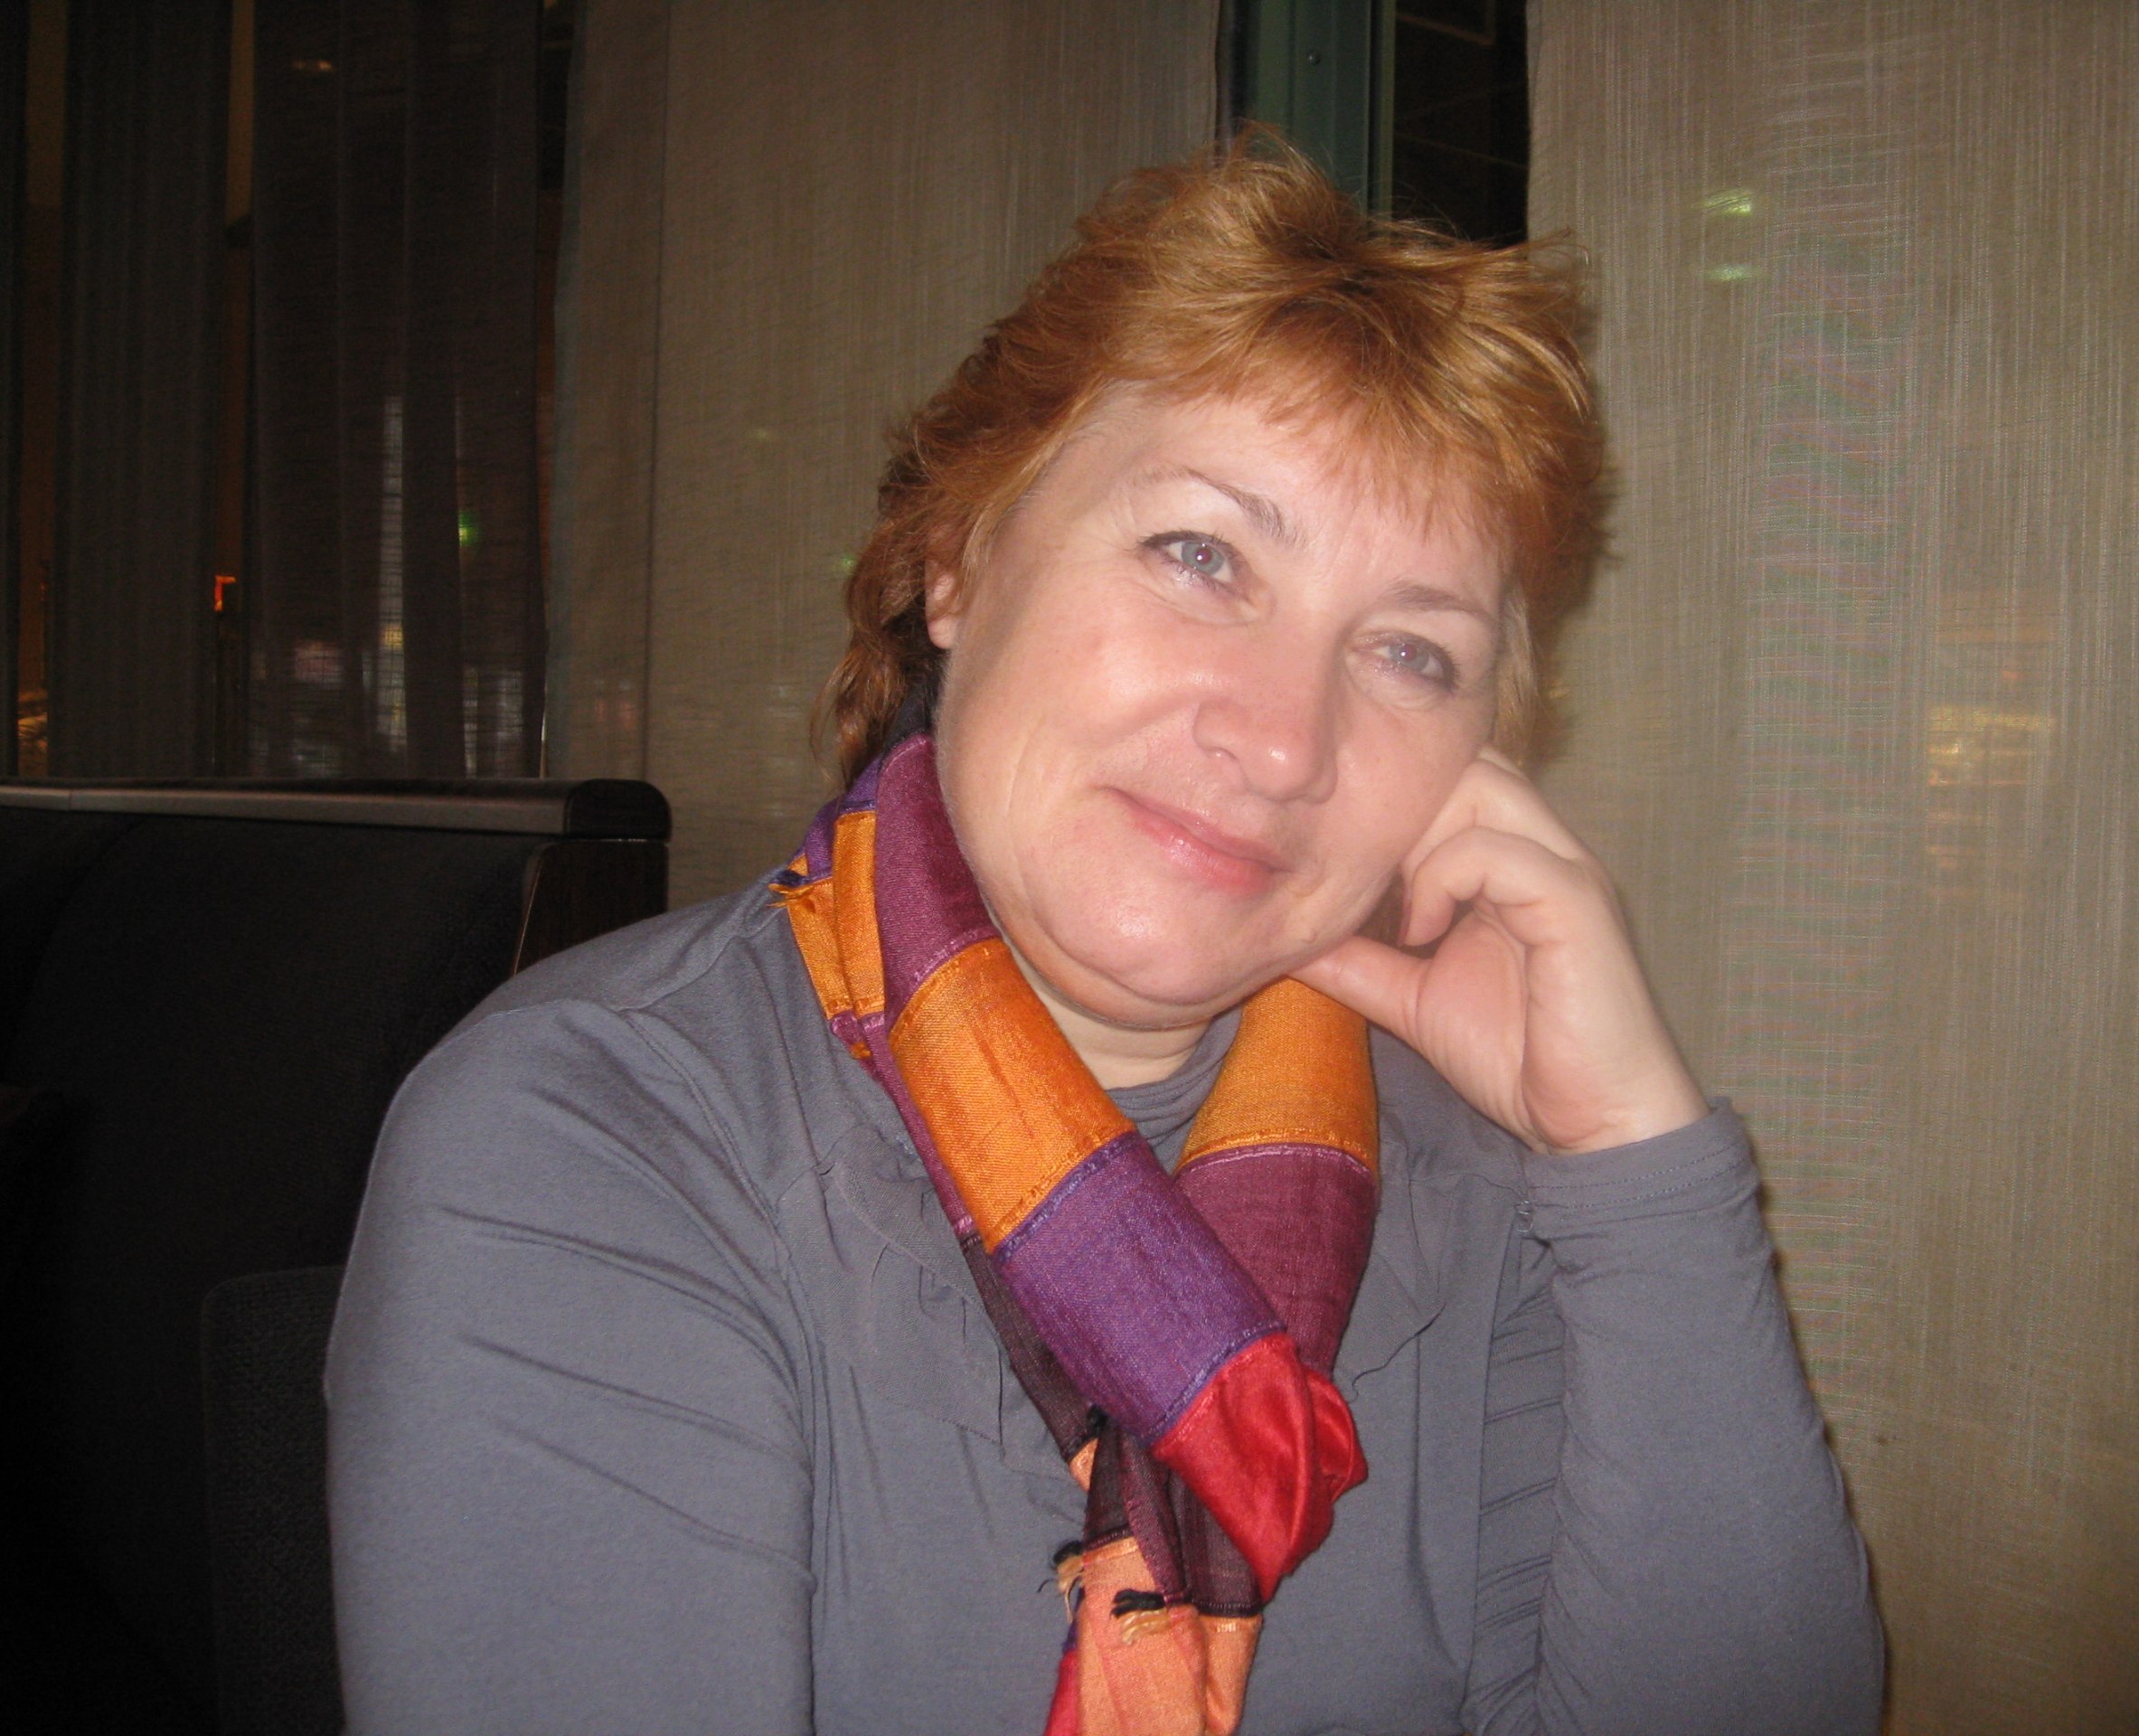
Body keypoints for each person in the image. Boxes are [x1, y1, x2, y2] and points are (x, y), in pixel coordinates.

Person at [325, 138, 1883, 1735]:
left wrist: (1630, 1153)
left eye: (1410, 653)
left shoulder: (1482, 1183)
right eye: (1201, 555)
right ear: (960, 558)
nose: (1282, 739)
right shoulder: (599, 1134)